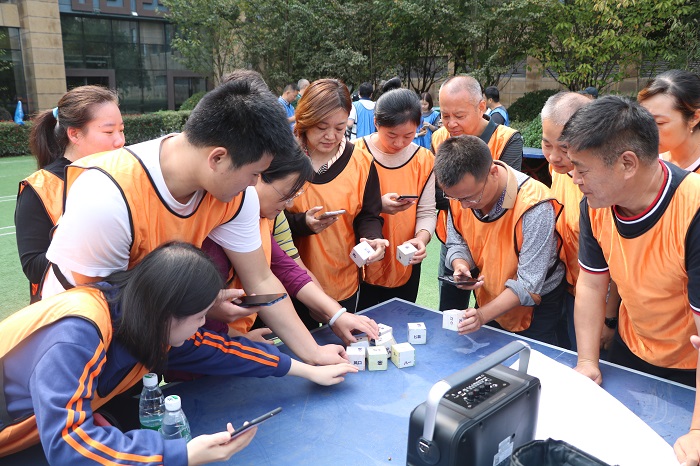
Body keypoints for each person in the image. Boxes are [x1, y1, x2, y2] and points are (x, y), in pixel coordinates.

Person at [43, 73, 349, 367]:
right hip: (77, 353)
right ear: (218, 158)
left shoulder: (236, 196)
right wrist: (199, 306)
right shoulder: (107, 195)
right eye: (254, 173)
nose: (255, 184)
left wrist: (314, 354)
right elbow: (99, 308)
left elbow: (260, 278)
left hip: (148, 348)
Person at [0, 242, 357, 462]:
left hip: (31, 432)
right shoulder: (78, 335)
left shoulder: (144, 318)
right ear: (169, 312)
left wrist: (306, 368)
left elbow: (219, 350)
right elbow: (69, 444)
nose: (203, 326)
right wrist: (181, 454)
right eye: (200, 317)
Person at [557, 96, 700, 465]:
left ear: (627, 163)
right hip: (630, 349)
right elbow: (591, 284)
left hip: (689, 369)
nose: (574, 179)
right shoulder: (595, 206)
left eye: (582, 169)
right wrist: (588, 360)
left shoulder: (693, 210)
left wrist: (698, 430)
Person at [203, 148, 380, 344]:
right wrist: (236, 337)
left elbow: (288, 268)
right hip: (204, 338)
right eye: (285, 195)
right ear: (257, 176)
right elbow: (195, 304)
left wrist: (336, 314)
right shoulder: (222, 219)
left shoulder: (264, 219)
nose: (288, 205)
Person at [436, 135, 565, 345]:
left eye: (471, 197)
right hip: (489, 294)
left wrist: (482, 316)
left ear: (493, 172)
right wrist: (461, 265)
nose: (464, 205)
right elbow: (457, 241)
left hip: (535, 310)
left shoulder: (535, 205)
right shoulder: (461, 194)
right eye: (455, 198)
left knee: (532, 359)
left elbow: (528, 284)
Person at [286, 78, 388, 321]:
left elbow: (369, 214)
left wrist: (373, 238)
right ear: (304, 120)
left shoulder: (361, 162)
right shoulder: (284, 160)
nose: (331, 136)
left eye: (340, 128)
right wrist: (302, 223)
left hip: (341, 280)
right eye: (321, 127)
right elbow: (265, 221)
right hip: (290, 283)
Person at [15, 85, 124, 303]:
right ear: (74, 134)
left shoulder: (124, 175)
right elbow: (34, 268)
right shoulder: (39, 187)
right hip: (71, 309)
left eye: (121, 130)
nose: (120, 140)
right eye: (109, 132)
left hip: (125, 304)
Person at [432, 75, 523, 312]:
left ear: (481, 106)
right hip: (456, 236)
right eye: (445, 116)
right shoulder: (439, 138)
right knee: (450, 310)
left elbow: (506, 198)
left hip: (496, 239)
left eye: (459, 116)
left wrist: (454, 196)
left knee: (493, 308)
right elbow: (438, 191)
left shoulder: (506, 139)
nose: (451, 123)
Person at [353, 88, 436, 310]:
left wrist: (421, 239)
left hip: (405, 260)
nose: (399, 143)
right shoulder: (355, 153)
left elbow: (427, 211)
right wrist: (377, 205)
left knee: (401, 319)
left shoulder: (424, 159)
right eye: (391, 135)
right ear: (376, 123)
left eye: (408, 136)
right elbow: (343, 206)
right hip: (360, 260)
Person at [540, 91, 591, 350]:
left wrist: (608, 316)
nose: (553, 157)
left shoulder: (601, 187)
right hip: (564, 287)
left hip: (594, 296)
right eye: (546, 145)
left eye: (564, 148)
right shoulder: (558, 170)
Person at [638, 69, 700, 173]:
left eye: (659, 123)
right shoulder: (642, 159)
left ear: (694, 118)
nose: (646, 131)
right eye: (643, 120)